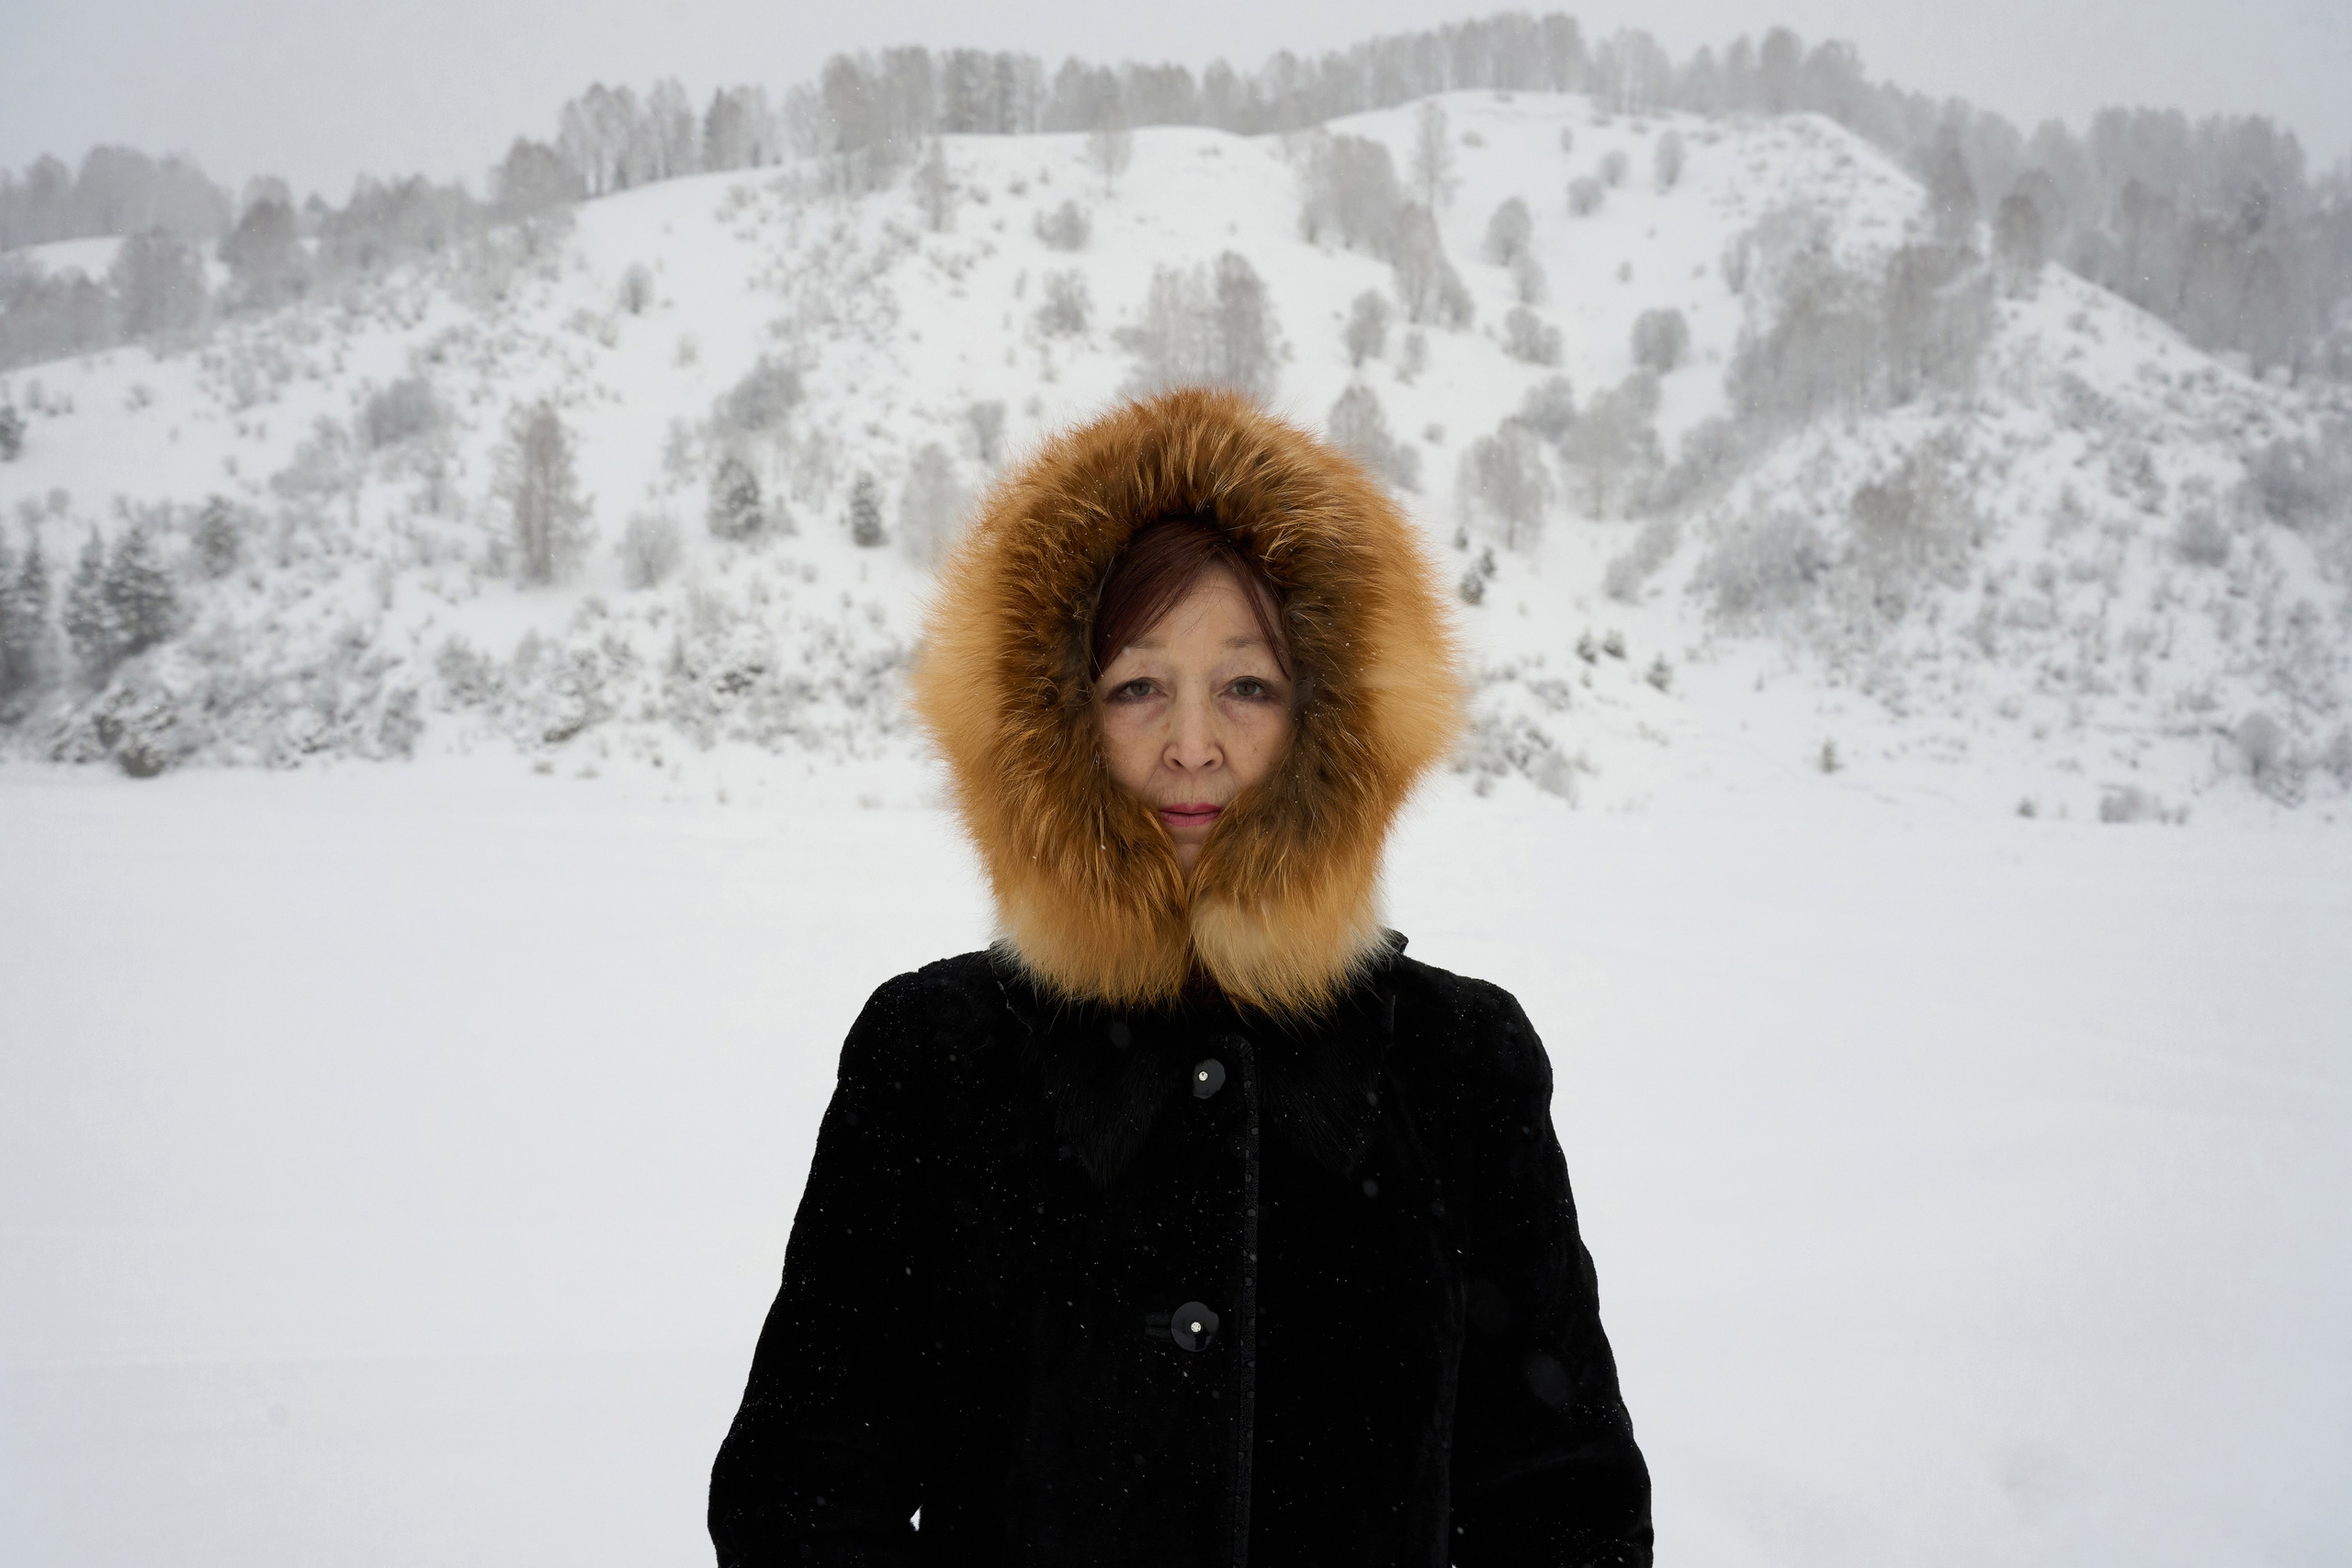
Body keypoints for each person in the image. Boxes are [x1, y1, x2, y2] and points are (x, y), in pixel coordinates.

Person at [709, 389, 1651, 1566]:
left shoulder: (1459, 1063)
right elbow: (801, 1499)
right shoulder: (935, 1055)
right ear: (1053, 726)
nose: (1192, 746)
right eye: (1136, 686)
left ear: (1330, 721)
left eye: (1247, 686)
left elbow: (1565, 1513)